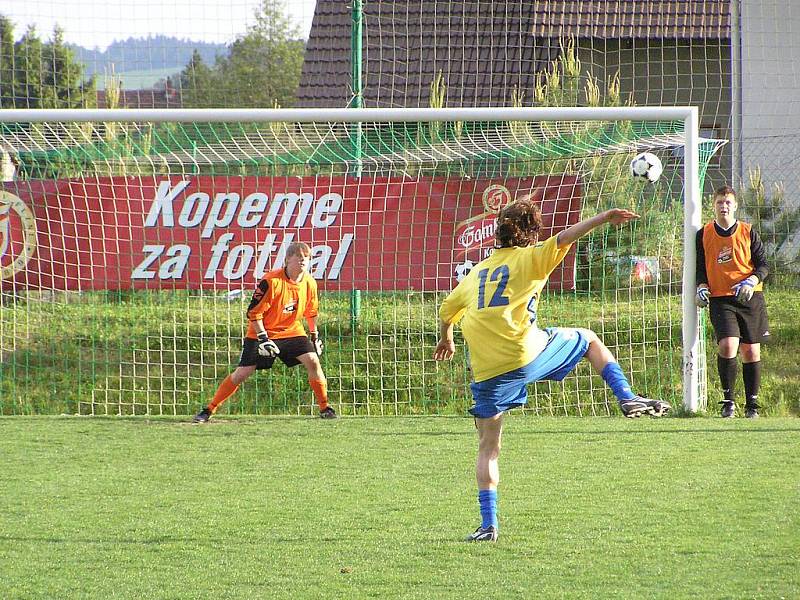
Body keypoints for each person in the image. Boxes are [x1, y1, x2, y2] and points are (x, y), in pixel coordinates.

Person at [433, 197, 670, 542]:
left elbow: (446, 310)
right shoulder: (531, 257)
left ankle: (488, 525)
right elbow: (565, 237)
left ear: (498, 233)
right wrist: (604, 216)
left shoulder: (477, 272)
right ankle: (627, 396)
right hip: (524, 353)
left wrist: (447, 339)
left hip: (487, 369)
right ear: (530, 234)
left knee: (487, 447)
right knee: (588, 338)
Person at [193, 241, 337, 422]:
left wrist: (314, 336)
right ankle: (209, 409)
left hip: (291, 331)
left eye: (306, 258)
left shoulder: (310, 283)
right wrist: (263, 338)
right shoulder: (271, 281)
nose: (303, 261)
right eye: (299, 257)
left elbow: (311, 311)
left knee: (313, 361)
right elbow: (253, 313)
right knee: (242, 373)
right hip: (262, 332)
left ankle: (325, 408)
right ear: (287, 259)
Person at [695, 185, 770, 419]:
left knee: (750, 350)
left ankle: (752, 405)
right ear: (714, 205)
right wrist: (701, 287)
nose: (724, 206)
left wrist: (752, 281)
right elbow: (700, 268)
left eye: (728, 202)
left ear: (735, 206)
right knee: (728, 345)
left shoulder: (748, 231)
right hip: (720, 299)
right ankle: (728, 402)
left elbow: (764, 265)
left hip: (750, 297)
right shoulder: (704, 233)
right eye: (719, 202)